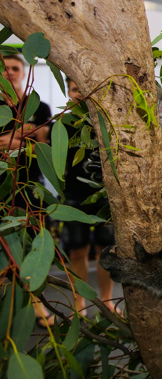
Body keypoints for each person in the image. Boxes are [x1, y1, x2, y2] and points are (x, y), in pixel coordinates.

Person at [1, 53, 53, 326]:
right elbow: (28, 138)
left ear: (24, 72)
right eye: (5, 68)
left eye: (15, 68)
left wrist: (10, 139)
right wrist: (22, 135)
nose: (10, 72)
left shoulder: (39, 107)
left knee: (34, 245)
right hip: (1, 188)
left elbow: (44, 142)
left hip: (31, 185)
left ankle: (36, 305)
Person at [60, 78, 114, 313]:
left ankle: (107, 302)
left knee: (107, 251)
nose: (80, 94)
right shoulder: (62, 123)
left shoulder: (106, 123)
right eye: (74, 89)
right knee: (77, 251)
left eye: (83, 89)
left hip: (105, 197)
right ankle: (78, 305)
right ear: (69, 93)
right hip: (73, 197)